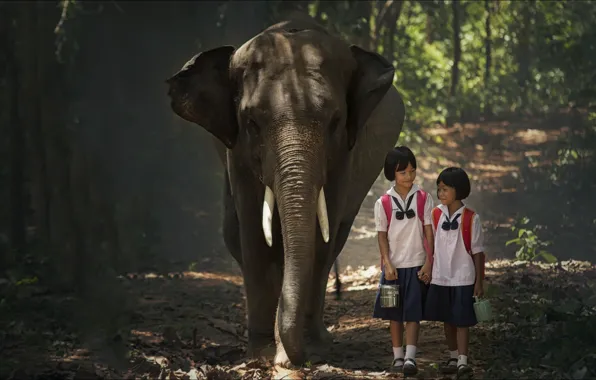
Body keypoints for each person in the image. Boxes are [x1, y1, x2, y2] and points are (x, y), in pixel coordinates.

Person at [372, 146, 434, 375]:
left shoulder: (424, 198)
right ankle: (397, 357)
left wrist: (429, 261)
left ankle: (410, 357)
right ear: (392, 174)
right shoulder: (383, 203)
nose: (409, 177)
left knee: (413, 313)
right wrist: (387, 263)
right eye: (403, 173)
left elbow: (429, 231)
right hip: (393, 269)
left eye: (412, 171)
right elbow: (381, 235)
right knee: (393, 314)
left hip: (417, 264)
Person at [424, 167, 486, 378]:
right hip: (441, 276)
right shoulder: (434, 215)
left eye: (444, 189)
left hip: (463, 276)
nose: (440, 194)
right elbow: (430, 246)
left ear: (458, 191)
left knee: (461, 321)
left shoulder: (470, 218)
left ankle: (462, 360)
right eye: (438, 189)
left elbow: (478, 252)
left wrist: (479, 281)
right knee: (447, 319)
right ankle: (452, 356)